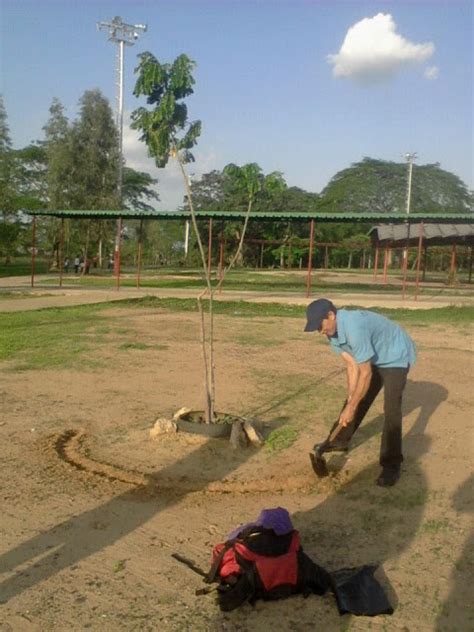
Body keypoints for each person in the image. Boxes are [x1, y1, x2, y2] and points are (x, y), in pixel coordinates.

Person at [304, 298, 416, 487]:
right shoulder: (332, 333)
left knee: (391, 409)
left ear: (331, 315)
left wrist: (352, 405)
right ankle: (338, 440)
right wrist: (350, 400)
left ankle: (391, 465)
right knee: (355, 399)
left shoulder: (354, 327)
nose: (319, 331)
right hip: (373, 356)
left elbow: (365, 373)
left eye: (320, 325)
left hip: (395, 355)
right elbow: (351, 365)